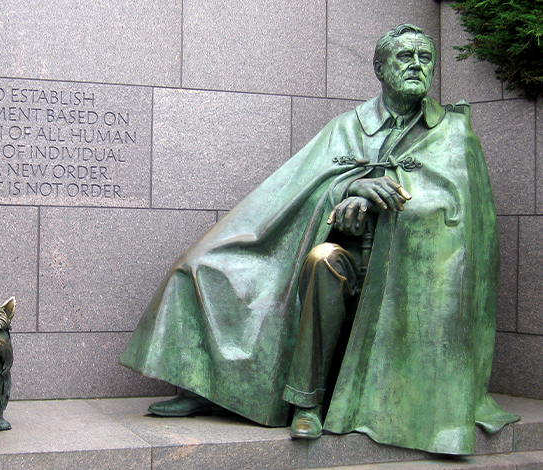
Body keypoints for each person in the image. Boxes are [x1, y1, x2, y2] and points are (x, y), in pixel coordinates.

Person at [120, 24, 519, 455]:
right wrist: (346, 192)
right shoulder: (347, 127)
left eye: (425, 57)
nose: (417, 66)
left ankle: (313, 402)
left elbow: (460, 219)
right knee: (211, 264)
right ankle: (241, 391)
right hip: (342, 254)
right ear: (380, 68)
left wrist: (385, 200)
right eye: (406, 57)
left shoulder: (454, 135)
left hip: (406, 272)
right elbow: (299, 188)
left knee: (323, 259)